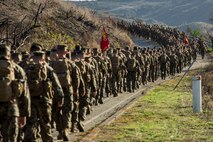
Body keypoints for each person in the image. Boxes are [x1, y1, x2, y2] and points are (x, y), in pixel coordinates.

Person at [24, 50, 64, 142]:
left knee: (31, 124)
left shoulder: (26, 68)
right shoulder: (48, 69)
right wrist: (60, 98)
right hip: (44, 100)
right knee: (45, 124)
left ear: (33, 57)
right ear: (43, 57)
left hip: (31, 100)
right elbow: (56, 85)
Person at [0, 44, 30, 142]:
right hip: (12, 108)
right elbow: (25, 94)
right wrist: (24, 113)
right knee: (11, 137)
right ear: (9, 54)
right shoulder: (16, 68)